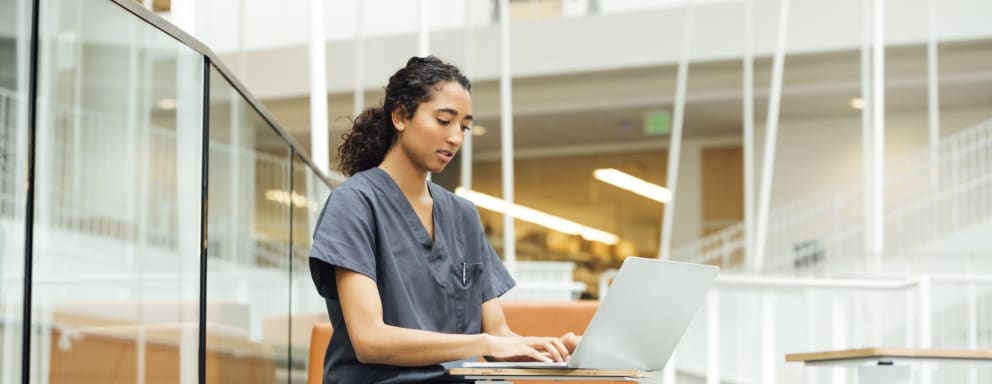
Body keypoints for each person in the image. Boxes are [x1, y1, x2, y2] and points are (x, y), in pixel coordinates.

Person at [309, 56, 581, 384]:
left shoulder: (463, 216)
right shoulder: (355, 203)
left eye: (464, 127)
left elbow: (498, 337)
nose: (456, 138)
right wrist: (482, 342)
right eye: (443, 121)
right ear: (400, 116)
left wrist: (553, 351)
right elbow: (370, 340)